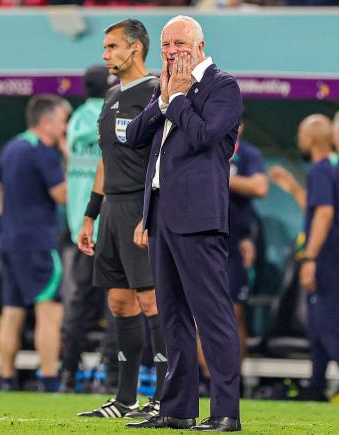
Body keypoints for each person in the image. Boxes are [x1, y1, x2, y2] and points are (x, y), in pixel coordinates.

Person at [123, 16, 243, 431]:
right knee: (172, 318)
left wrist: (177, 100)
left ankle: (226, 412)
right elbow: (134, 138)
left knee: (213, 317)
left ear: (201, 44)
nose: (172, 51)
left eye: (180, 42)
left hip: (199, 217)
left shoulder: (222, 86)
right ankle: (178, 410)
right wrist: (161, 101)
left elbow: (204, 138)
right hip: (162, 216)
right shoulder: (164, 88)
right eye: (166, 44)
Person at [76, 19, 166, 419]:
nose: (105, 54)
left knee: (151, 299)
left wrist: (150, 212)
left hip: (139, 208)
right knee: (119, 301)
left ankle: (166, 397)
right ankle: (126, 399)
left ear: (135, 49)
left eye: (112, 46)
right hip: (111, 209)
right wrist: (89, 216)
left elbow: (164, 159)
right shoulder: (112, 96)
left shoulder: (157, 93)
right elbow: (104, 160)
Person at [0, 94, 70, 392]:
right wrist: (70, 157)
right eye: (62, 122)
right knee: (49, 311)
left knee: (12, 311)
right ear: (46, 122)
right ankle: (48, 380)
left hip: (9, 240)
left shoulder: (13, 146)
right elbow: (63, 195)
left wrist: (3, 213)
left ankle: (7, 378)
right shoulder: (43, 151)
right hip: (37, 243)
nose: (64, 130)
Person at [198, 120, 268, 389]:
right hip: (202, 237)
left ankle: (232, 381)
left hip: (234, 243)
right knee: (199, 312)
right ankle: (205, 378)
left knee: (234, 312)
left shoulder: (248, 154)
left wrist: (222, 175)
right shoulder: (204, 145)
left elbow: (260, 187)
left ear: (242, 125)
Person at [59, 65, 116, 393]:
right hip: (107, 222)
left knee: (79, 305)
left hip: (79, 226)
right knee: (117, 303)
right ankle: (111, 375)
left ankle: (68, 372)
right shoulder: (114, 112)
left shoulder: (76, 119)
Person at [292, 114, 339, 401]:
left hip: (326, 260)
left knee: (327, 325)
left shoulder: (321, 171)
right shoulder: (329, 171)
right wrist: (294, 189)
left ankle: (317, 384)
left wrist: (309, 259)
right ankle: (316, 385)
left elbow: (324, 213)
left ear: (310, 139)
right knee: (318, 325)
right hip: (330, 257)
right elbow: (316, 210)